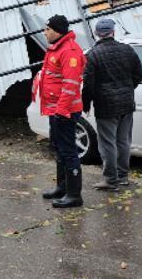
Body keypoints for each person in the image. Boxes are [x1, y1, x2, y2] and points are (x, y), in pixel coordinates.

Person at [81, 19, 142, 191]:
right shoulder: (127, 50)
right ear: (113, 32)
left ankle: (110, 179)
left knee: (108, 143)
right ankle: (122, 177)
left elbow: (88, 83)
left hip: (106, 106)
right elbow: (138, 74)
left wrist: (86, 104)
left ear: (96, 34)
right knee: (123, 141)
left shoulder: (92, 55)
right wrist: (127, 89)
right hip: (127, 103)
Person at [35, 15, 86, 208]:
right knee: (58, 148)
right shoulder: (57, 48)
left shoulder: (70, 51)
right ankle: (62, 187)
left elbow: (71, 84)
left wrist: (61, 110)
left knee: (68, 151)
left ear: (57, 31)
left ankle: (74, 195)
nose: (45, 32)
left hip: (64, 111)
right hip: (55, 109)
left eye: (47, 29)